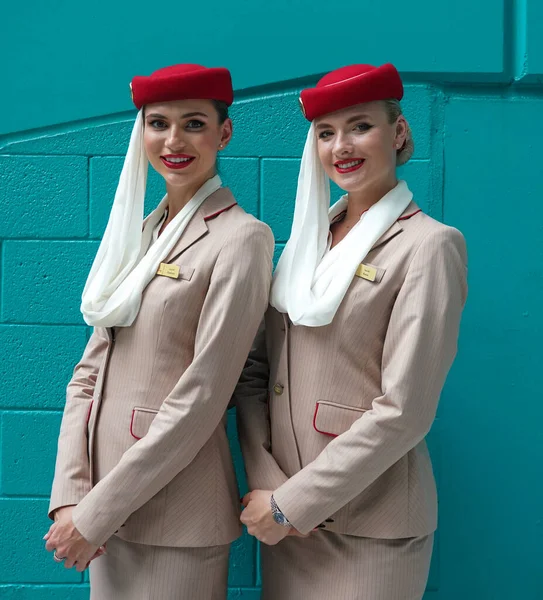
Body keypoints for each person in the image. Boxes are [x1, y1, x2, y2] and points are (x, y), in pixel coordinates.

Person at [235, 63, 468, 599]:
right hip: (285, 515)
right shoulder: (303, 246)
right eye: (326, 133)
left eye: (360, 126)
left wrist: (293, 504)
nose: (342, 146)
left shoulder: (429, 246)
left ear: (399, 132)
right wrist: (269, 484)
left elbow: (405, 410)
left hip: (369, 523)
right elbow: (254, 373)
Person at [44, 63, 274, 600]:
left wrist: (98, 511)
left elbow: (203, 396)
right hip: (102, 506)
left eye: (194, 123)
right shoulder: (144, 233)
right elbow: (89, 374)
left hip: (174, 514)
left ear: (224, 133)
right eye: (158, 123)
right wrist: (72, 495)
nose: (173, 140)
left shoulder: (242, 239)